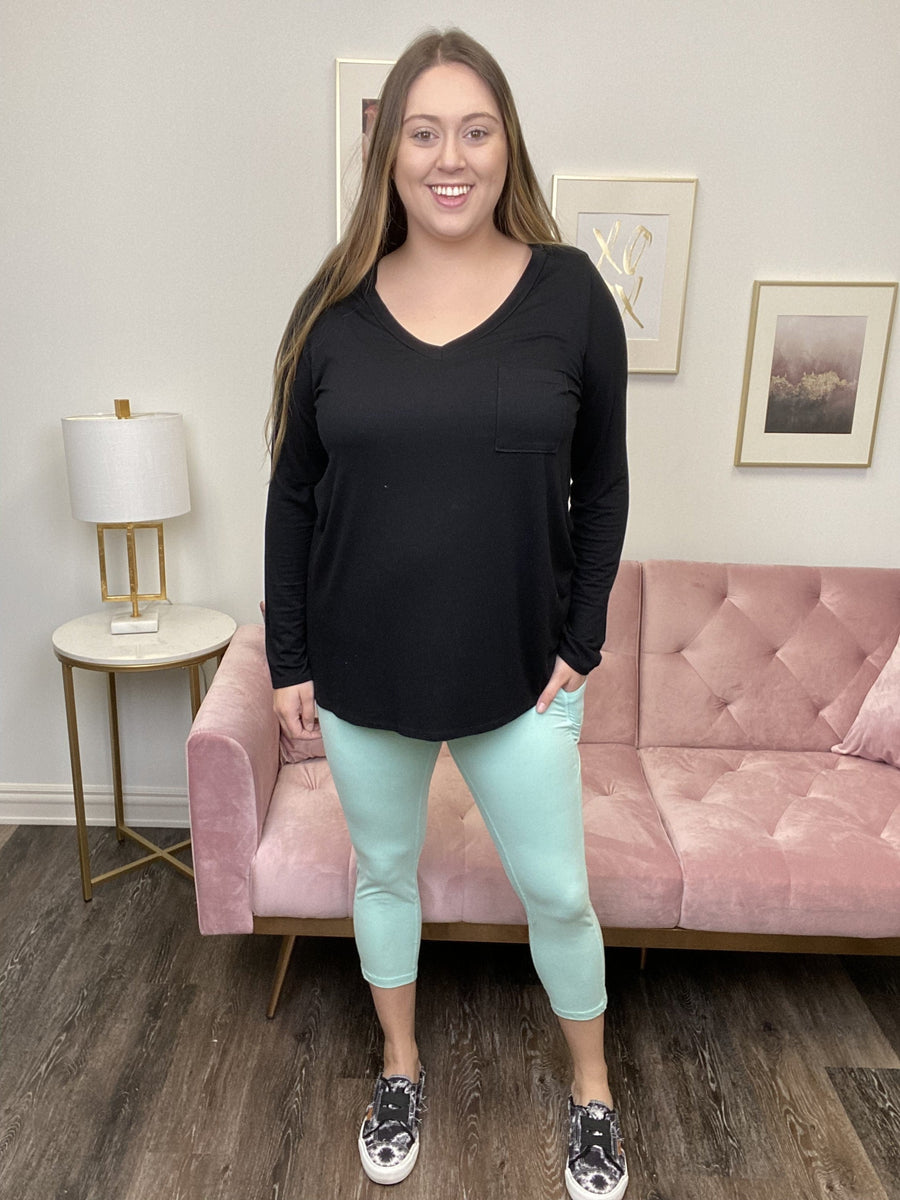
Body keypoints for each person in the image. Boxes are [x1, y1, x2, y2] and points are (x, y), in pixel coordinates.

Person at [264, 27, 629, 1200]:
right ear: (389, 153)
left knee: (559, 893)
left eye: (476, 129)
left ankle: (593, 1091)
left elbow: (604, 483)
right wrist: (289, 658)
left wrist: (582, 640)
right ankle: (400, 1067)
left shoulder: (570, 294)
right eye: (423, 133)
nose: (451, 156)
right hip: (362, 670)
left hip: (522, 677)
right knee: (384, 876)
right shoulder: (334, 311)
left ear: (507, 142)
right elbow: (293, 494)